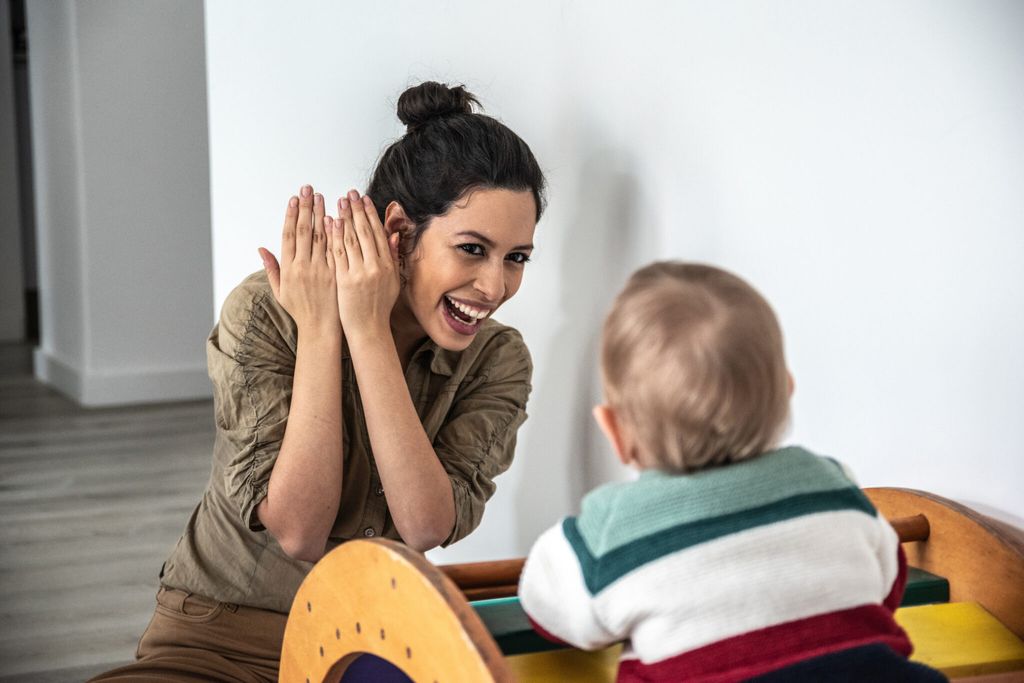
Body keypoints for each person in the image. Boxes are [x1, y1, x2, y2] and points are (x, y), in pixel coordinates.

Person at [92, 81, 546, 682]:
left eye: (516, 257)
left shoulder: (498, 359)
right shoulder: (266, 310)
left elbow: (424, 524)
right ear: (399, 229)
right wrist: (323, 330)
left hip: (371, 644)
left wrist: (367, 331)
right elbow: (300, 531)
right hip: (222, 637)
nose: (494, 287)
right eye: (471, 249)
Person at [518, 262, 946, 682]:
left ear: (615, 430)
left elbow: (554, 609)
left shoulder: (615, 528)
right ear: (787, 393)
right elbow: (887, 578)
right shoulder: (829, 484)